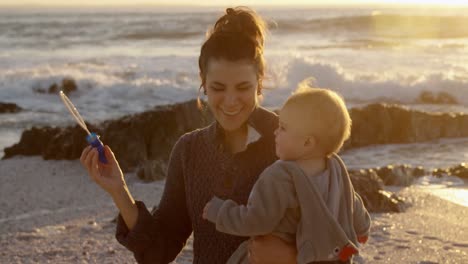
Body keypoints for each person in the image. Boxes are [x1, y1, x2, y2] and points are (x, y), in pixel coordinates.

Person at [80, 6, 298, 264]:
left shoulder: (292, 142)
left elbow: (334, 237)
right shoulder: (190, 150)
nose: (230, 101)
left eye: (243, 88)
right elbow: (158, 251)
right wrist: (119, 190)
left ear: (260, 82)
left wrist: (290, 255)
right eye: (218, 88)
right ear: (203, 82)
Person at [203, 85, 371, 264]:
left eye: (283, 128)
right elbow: (353, 205)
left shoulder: (280, 176)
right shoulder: (336, 168)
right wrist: (362, 230)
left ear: (307, 142)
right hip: (328, 257)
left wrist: (221, 212)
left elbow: (257, 221)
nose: (275, 132)